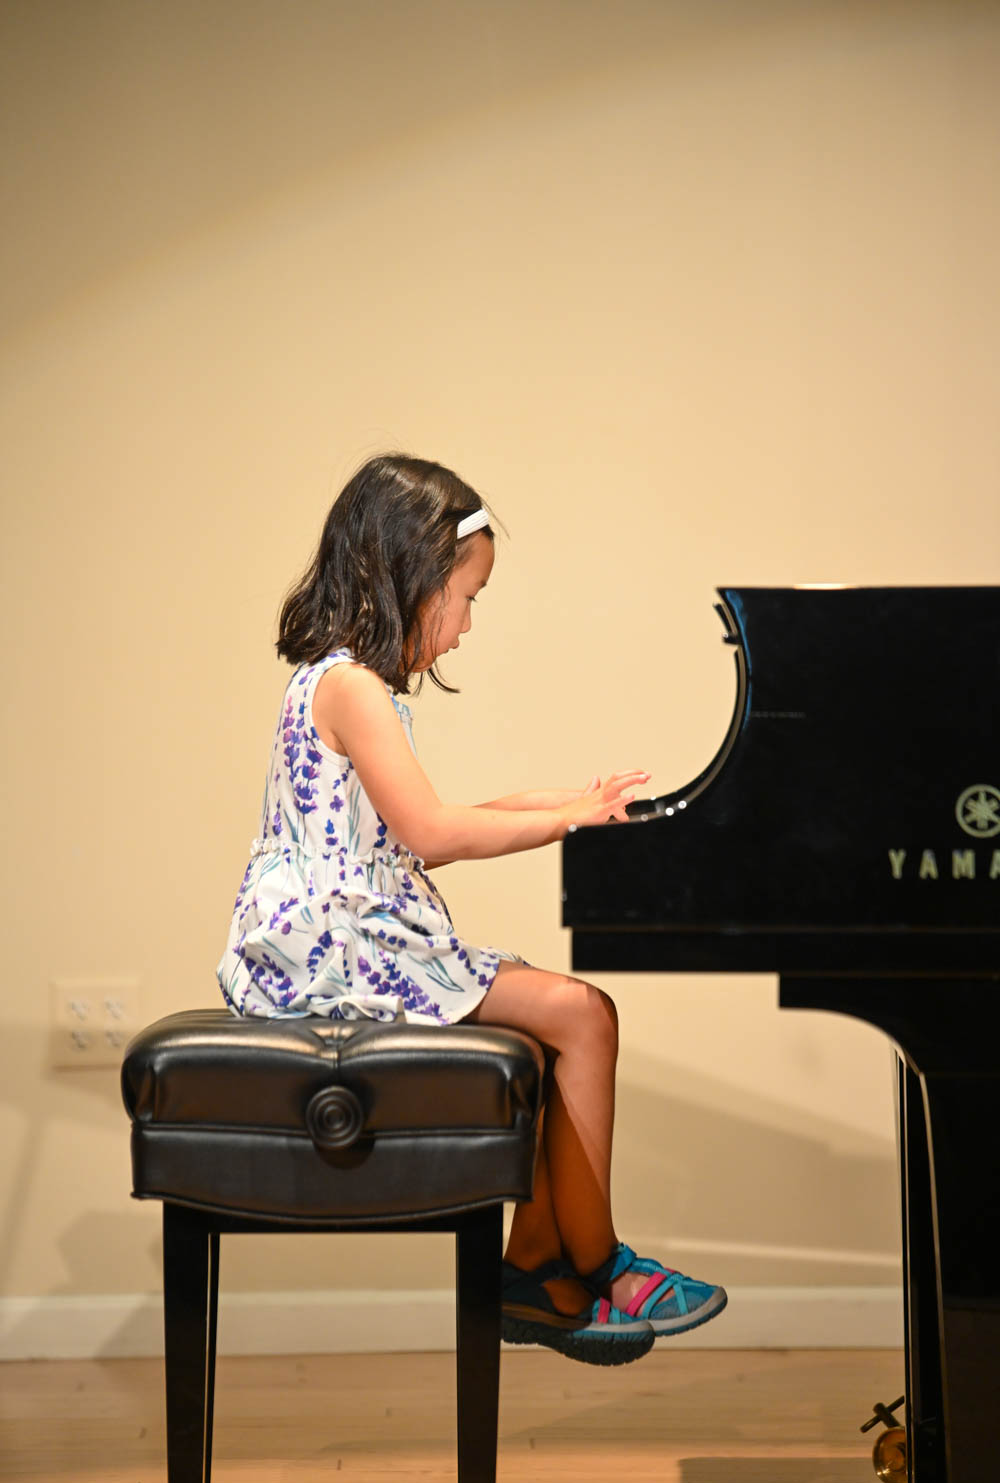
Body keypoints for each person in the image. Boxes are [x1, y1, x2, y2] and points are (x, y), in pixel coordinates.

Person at [218, 453, 727, 1365]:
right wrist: (564, 819)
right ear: (410, 576)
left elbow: (425, 828)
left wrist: (576, 802)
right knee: (584, 1014)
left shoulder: (344, 685)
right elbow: (434, 833)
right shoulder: (351, 687)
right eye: (466, 598)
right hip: (335, 950)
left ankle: (532, 1266)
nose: (464, 628)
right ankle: (600, 1261)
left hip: (339, 937)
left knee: (553, 1030)